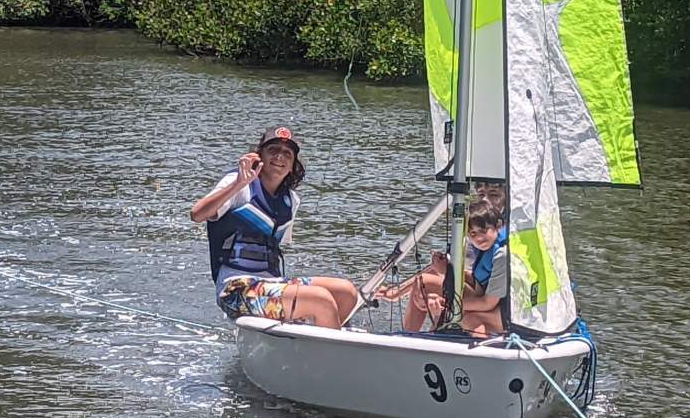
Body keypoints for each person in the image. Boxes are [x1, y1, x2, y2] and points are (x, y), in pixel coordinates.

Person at [190, 126, 359, 329]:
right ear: (259, 156)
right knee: (320, 299)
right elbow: (197, 214)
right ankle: (330, 356)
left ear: (293, 165)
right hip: (236, 289)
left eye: (287, 153)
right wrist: (238, 183)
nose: (280, 156)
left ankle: (320, 338)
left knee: (347, 293)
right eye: (273, 150)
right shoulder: (238, 185)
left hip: (272, 283)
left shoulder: (290, 201)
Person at [376, 197, 508, 337]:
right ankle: (407, 338)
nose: (479, 237)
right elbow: (474, 279)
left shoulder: (502, 255)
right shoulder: (479, 246)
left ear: (498, 226)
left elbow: (488, 303)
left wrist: (447, 304)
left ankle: (481, 349)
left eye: (483, 230)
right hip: (483, 295)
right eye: (473, 233)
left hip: (501, 310)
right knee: (423, 281)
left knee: (468, 318)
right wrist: (397, 291)